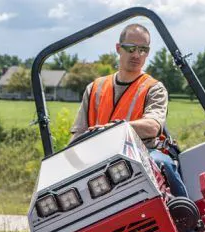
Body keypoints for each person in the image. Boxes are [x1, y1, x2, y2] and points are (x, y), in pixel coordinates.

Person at [69, 23, 188, 198]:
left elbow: (153, 126)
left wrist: (111, 131)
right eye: (131, 48)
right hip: (100, 157)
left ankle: (186, 220)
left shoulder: (154, 88)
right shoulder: (95, 88)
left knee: (162, 164)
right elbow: (77, 136)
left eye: (143, 50)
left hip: (145, 153)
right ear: (118, 48)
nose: (137, 55)